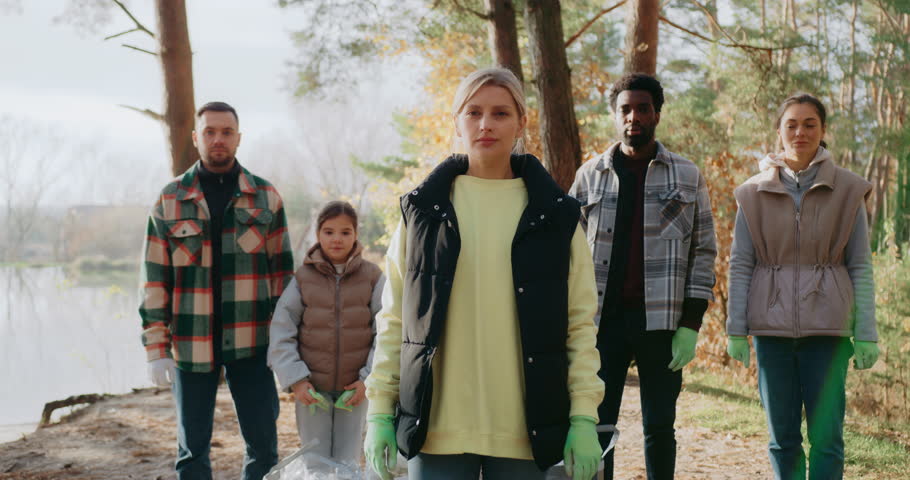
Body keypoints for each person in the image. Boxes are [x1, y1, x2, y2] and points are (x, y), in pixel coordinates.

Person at [362, 67, 605, 480]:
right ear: (457, 121)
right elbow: (395, 321)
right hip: (435, 429)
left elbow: (579, 325)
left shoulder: (556, 217)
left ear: (522, 123)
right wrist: (379, 412)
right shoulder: (421, 214)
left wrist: (583, 416)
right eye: (473, 112)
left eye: (500, 113)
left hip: (525, 432)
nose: (486, 124)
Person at [568, 72, 717, 480]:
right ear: (615, 116)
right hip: (601, 323)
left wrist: (690, 323)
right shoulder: (588, 177)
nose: (634, 116)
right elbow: (566, 253)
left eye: (643, 108)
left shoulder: (687, 176)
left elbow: (704, 251)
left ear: (657, 114)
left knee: (659, 427)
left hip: (662, 325)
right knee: (595, 424)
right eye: (626, 109)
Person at [139, 101, 294, 480]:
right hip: (191, 346)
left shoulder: (266, 197)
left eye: (226, 132)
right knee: (192, 451)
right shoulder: (169, 200)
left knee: (263, 446)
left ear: (238, 138)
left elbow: (283, 280)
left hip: (254, 344)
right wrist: (157, 349)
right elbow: (155, 281)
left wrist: (284, 342)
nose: (218, 139)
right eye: (210, 132)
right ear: (196, 138)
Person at [726, 93, 878, 480]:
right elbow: (742, 263)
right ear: (778, 131)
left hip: (828, 332)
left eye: (810, 123)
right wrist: (736, 330)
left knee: (827, 439)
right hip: (770, 333)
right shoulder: (752, 192)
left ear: (823, 131)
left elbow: (860, 264)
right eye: (791, 124)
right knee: (782, 439)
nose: (800, 132)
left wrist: (866, 334)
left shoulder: (848, 190)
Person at [267, 200, 384, 466]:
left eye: (345, 232)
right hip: (312, 392)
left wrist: (368, 380)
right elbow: (281, 331)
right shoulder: (302, 279)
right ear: (318, 234)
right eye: (329, 232)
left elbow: (386, 333)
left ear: (356, 235)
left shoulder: (373, 277)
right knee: (315, 461)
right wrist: (296, 380)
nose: (337, 239)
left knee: (348, 461)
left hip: (355, 391)